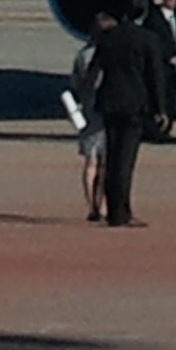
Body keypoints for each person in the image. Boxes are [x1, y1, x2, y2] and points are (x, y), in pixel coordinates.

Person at [90, 1, 168, 226]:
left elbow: (95, 69)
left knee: (113, 156)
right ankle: (121, 212)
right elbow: (155, 76)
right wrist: (160, 108)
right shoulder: (148, 39)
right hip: (134, 103)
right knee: (125, 160)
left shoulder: (108, 37)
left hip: (109, 101)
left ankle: (114, 209)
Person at [71, 12, 112, 222]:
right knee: (105, 162)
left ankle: (91, 206)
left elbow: (76, 84)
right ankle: (102, 203)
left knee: (90, 161)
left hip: (88, 109)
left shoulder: (83, 55)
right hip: (107, 107)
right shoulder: (111, 53)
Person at [144, 0, 176, 117]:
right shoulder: (155, 19)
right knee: (161, 93)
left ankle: (170, 118)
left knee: (172, 94)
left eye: (175, 0)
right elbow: (156, 41)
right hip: (162, 62)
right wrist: (168, 57)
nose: (173, 2)